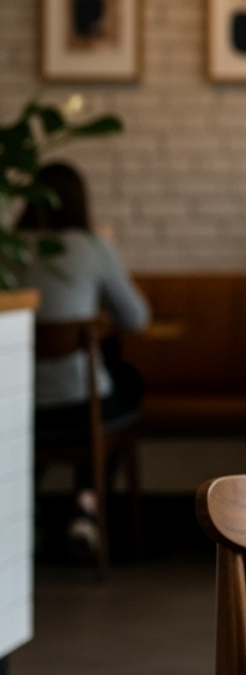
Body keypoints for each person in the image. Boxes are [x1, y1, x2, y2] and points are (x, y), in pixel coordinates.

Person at [19, 161, 151, 558]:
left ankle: (28, 515)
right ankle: (85, 508)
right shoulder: (92, 247)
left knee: (28, 429)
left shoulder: (9, 247)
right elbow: (137, 318)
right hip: (80, 407)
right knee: (123, 382)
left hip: (16, 403)